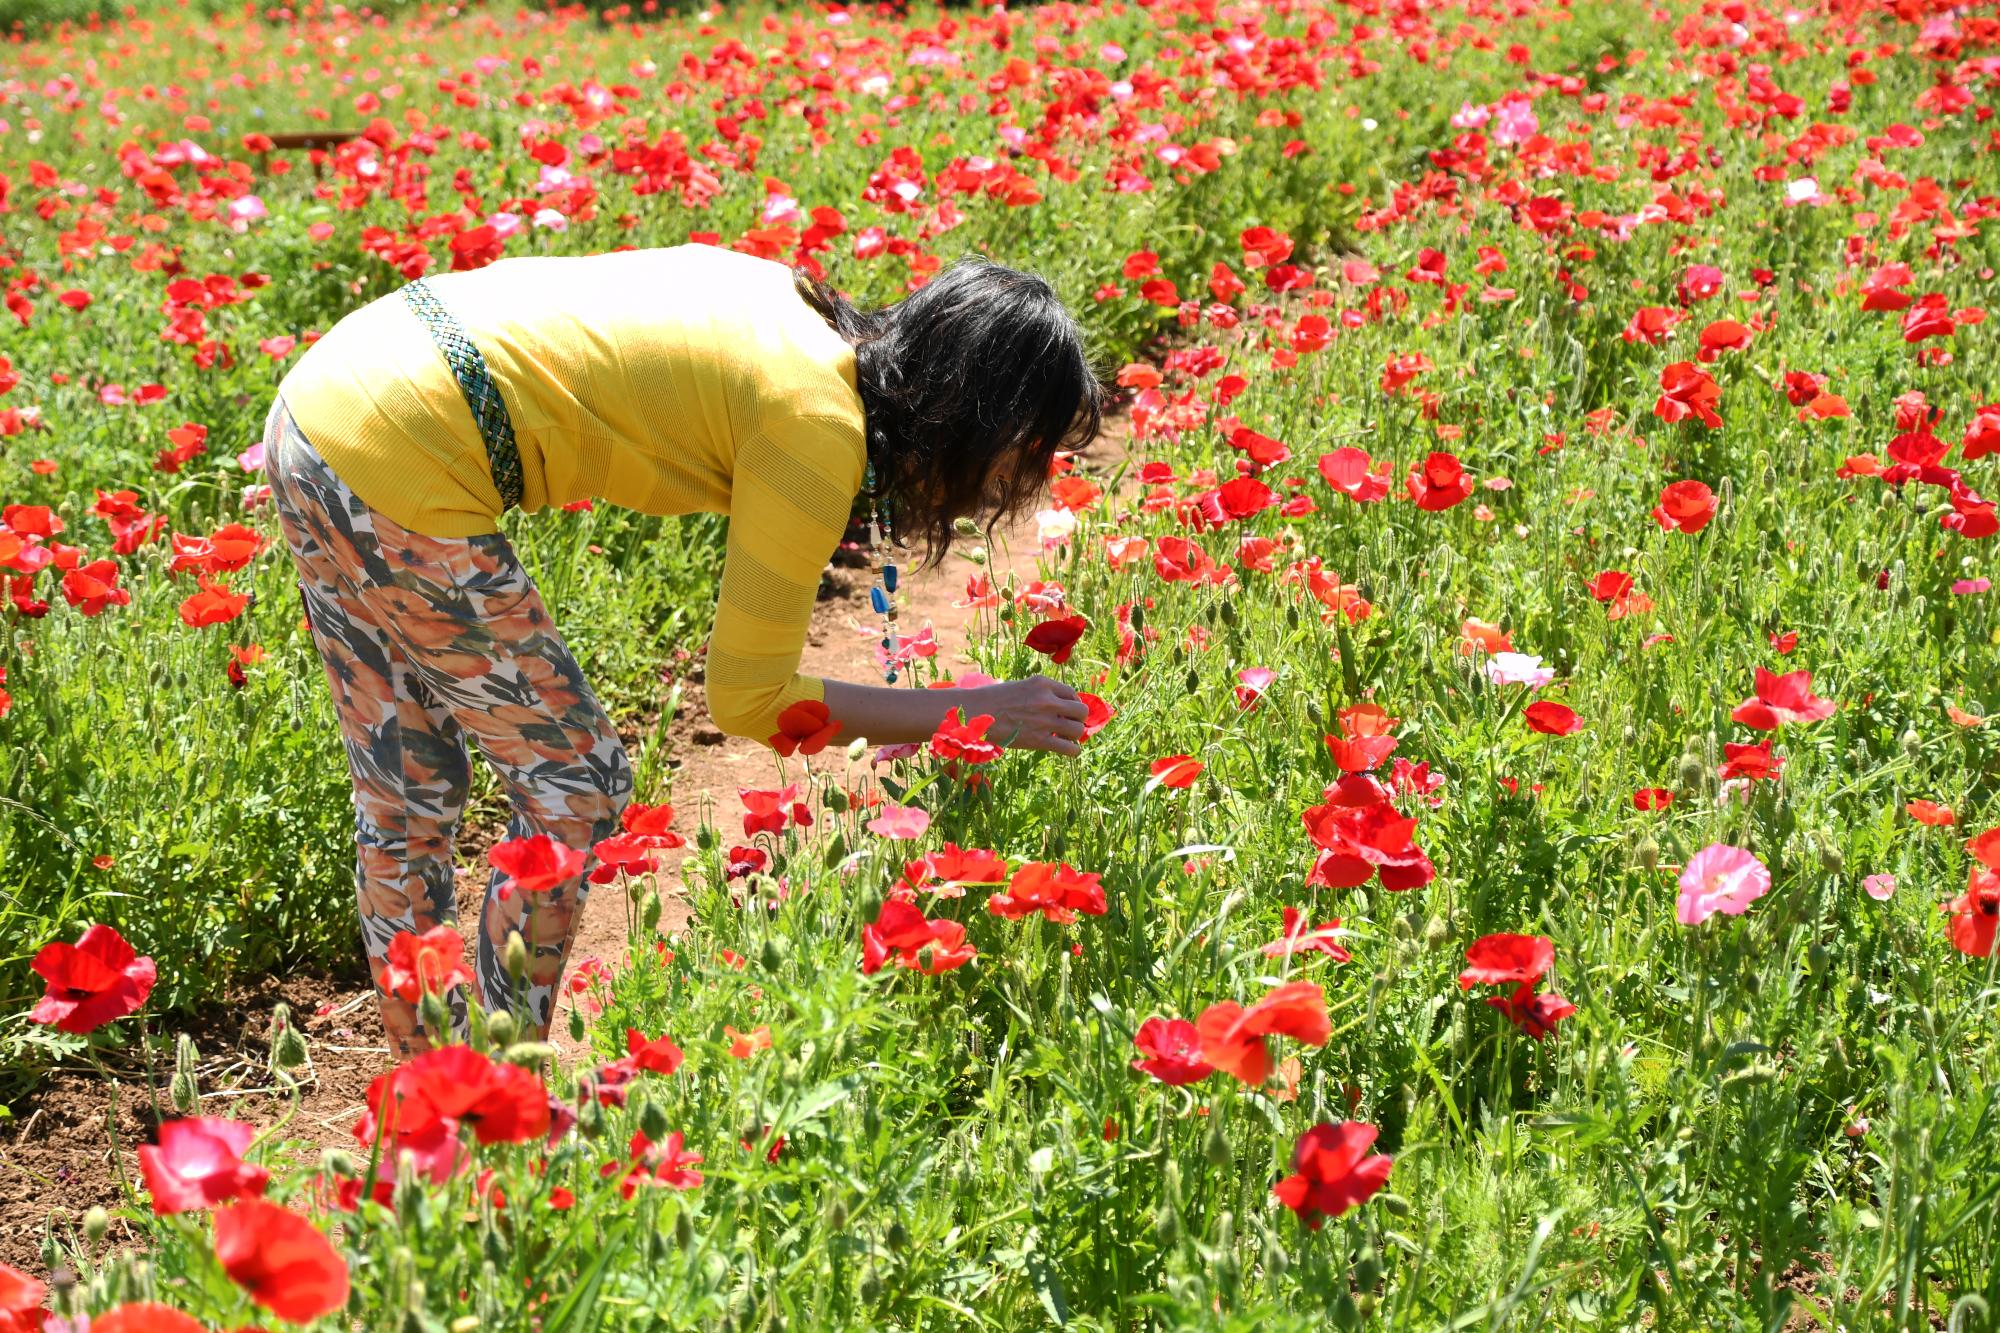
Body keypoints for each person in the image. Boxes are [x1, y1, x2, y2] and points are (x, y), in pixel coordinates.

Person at [265, 244, 1104, 1058]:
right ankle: (492, 1097)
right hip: (400, 443)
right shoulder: (816, 425)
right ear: (977, 414)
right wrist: (976, 712)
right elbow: (748, 697)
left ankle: (440, 1092)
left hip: (325, 403)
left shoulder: (799, 315)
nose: (1024, 475)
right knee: (577, 785)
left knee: (407, 785)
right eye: (1028, 448)